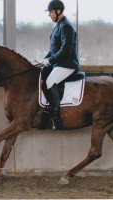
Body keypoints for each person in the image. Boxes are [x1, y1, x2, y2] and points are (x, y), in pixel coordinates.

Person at [39, 0, 79, 130]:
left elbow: (65, 50)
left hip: (68, 63)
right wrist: (44, 60)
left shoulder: (66, 26)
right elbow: (54, 49)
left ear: (58, 11)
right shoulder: (57, 25)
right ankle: (50, 107)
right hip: (59, 63)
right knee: (43, 76)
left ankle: (56, 118)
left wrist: (51, 60)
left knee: (50, 81)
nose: (49, 14)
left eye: (50, 12)